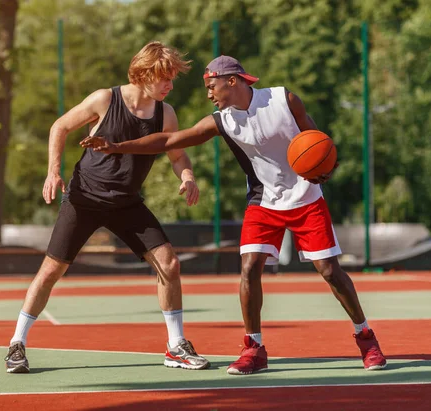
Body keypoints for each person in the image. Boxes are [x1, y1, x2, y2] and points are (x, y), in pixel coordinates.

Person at [80, 55, 387, 375]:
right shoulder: (221, 121)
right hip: (263, 202)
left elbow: (315, 139)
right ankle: (254, 348)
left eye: (211, 86)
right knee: (249, 267)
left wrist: (326, 165)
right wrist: (117, 145)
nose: (208, 94)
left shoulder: (284, 99)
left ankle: (366, 339)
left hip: (306, 198)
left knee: (329, 270)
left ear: (232, 80)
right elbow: (170, 140)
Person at [4, 41, 210, 373]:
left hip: (126, 203)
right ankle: (17, 344)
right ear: (145, 74)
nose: (171, 86)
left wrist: (187, 175)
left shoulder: (165, 113)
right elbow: (60, 126)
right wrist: (53, 172)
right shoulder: (106, 99)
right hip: (84, 200)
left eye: (173, 79)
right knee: (51, 272)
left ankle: (175, 346)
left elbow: (176, 153)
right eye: (166, 79)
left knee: (169, 264)